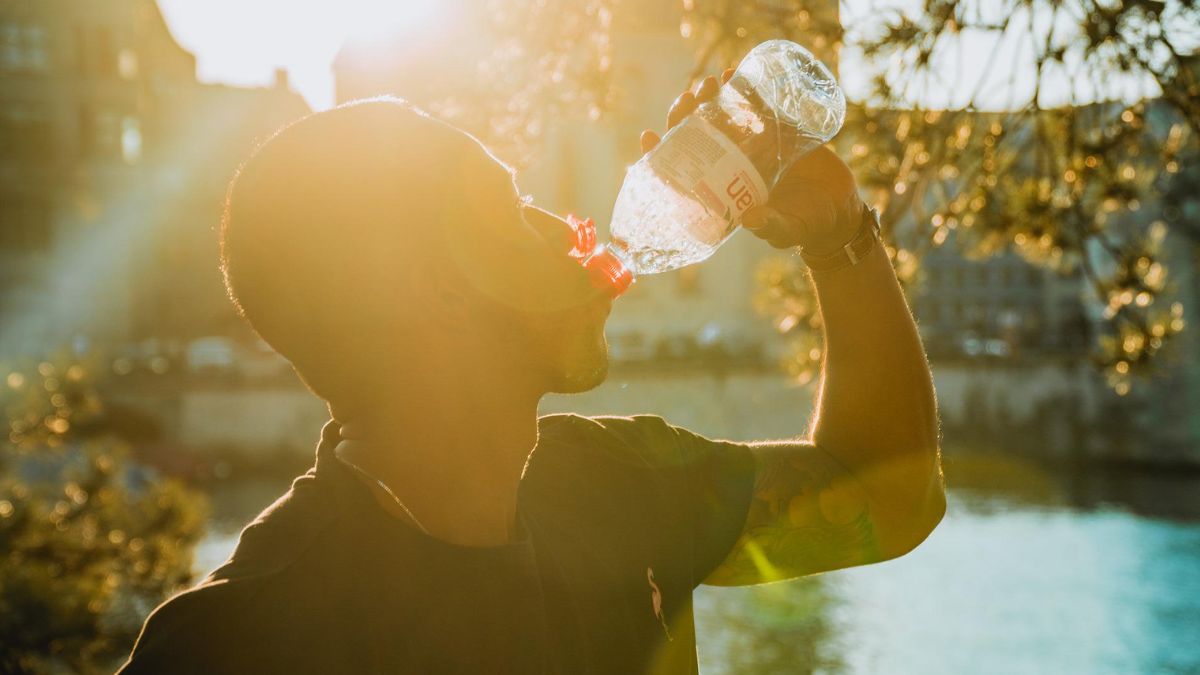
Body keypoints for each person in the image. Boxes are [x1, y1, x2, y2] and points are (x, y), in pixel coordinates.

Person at [118, 72, 945, 674]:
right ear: (430, 289)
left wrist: (840, 239)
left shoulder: (615, 482)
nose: (567, 228)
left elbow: (889, 494)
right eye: (513, 212)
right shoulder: (230, 643)